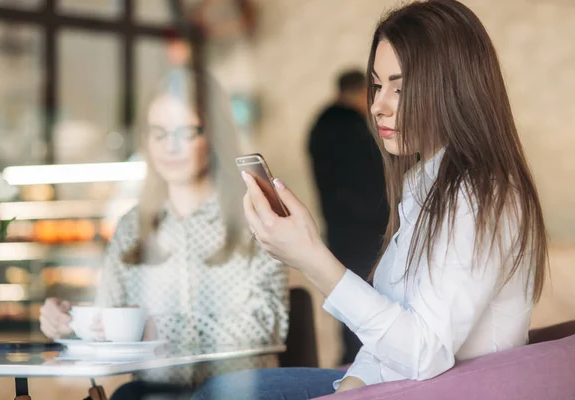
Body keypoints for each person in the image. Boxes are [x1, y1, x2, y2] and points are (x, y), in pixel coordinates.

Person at [192, 0, 548, 398]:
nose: (377, 105)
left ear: (454, 87)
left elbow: (421, 353)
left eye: (400, 87)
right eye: (377, 85)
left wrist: (312, 258)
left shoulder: (478, 194)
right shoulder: (424, 184)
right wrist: (349, 386)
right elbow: (386, 340)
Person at [39, 68, 289, 399]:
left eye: (185, 133)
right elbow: (110, 319)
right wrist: (70, 321)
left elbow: (269, 322)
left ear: (216, 134)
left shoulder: (253, 214)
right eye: (158, 133)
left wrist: (161, 328)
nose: (170, 148)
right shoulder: (131, 226)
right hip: (156, 391)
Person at [308, 69, 388, 364]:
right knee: (366, 297)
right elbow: (370, 182)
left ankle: (352, 361)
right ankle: (364, 366)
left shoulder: (319, 124)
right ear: (359, 91)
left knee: (348, 295)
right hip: (364, 228)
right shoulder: (351, 126)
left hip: (339, 226)